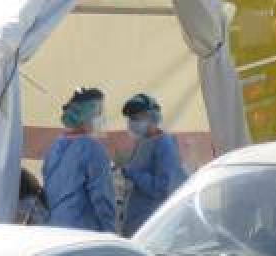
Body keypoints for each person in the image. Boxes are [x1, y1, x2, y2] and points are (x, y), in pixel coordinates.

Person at [42, 87, 116, 233]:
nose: (102, 118)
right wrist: (110, 233)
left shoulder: (55, 146)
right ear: (87, 115)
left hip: (53, 228)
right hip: (82, 233)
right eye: (99, 113)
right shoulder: (93, 149)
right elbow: (102, 197)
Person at [119, 93, 188, 235]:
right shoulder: (143, 141)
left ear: (151, 118)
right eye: (130, 119)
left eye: (136, 118)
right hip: (137, 220)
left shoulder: (164, 145)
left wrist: (133, 173)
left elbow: (162, 188)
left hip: (154, 221)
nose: (132, 123)